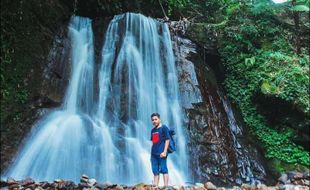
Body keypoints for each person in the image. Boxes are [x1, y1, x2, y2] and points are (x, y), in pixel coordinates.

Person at [150, 113, 170, 186]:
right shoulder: (153, 130)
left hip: (162, 153)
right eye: (152, 120)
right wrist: (152, 153)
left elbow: (167, 140)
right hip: (154, 154)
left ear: (159, 119)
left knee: (164, 169)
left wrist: (165, 152)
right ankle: (155, 185)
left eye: (156, 119)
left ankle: (165, 186)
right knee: (155, 170)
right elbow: (154, 142)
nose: (154, 121)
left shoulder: (164, 128)